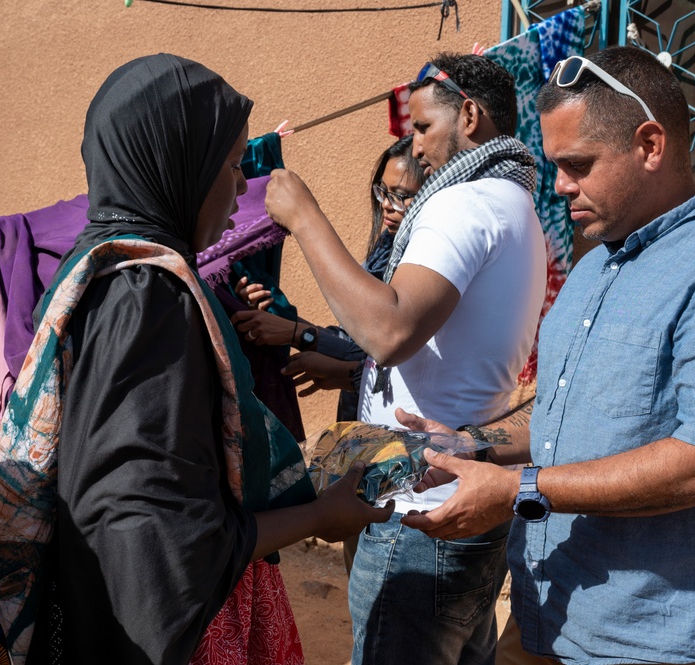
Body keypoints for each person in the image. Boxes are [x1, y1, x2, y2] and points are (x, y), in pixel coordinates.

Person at [396, 46, 695, 665]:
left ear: (650, 145)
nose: (560, 184)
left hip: (653, 642)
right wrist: (473, 446)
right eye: (556, 164)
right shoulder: (596, 267)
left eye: (578, 164)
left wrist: (515, 489)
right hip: (543, 620)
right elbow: (565, 417)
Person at [0, 54, 393, 665]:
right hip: (183, 634)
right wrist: (319, 515)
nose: (244, 185)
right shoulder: (149, 297)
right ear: (177, 168)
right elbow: (157, 534)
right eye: (230, 164)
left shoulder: (98, 271)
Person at [264, 54, 548, 665]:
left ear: (468, 115)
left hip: (418, 510)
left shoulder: (464, 205)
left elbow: (390, 332)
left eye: (421, 127)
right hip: (464, 494)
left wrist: (305, 217)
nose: (413, 145)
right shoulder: (517, 206)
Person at [231, 135, 425, 422]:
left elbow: (383, 353)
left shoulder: (422, 268)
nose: (385, 205)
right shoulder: (384, 253)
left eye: (399, 195)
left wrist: (298, 334)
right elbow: (353, 336)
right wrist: (277, 323)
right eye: (382, 192)